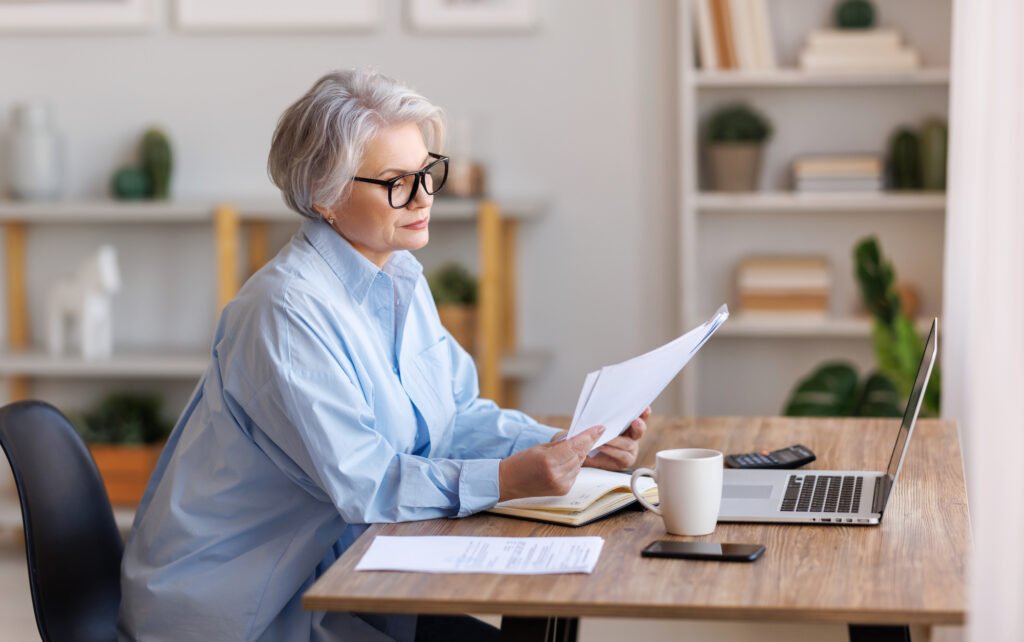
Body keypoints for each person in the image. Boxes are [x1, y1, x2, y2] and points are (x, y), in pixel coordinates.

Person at [118, 68, 649, 642]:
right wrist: (505, 479)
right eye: (397, 181)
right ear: (324, 195)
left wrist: (563, 446)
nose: (423, 198)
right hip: (240, 612)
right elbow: (368, 485)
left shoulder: (398, 274)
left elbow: (454, 415)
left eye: (427, 172)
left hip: (338, 584)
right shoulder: (285, 312)